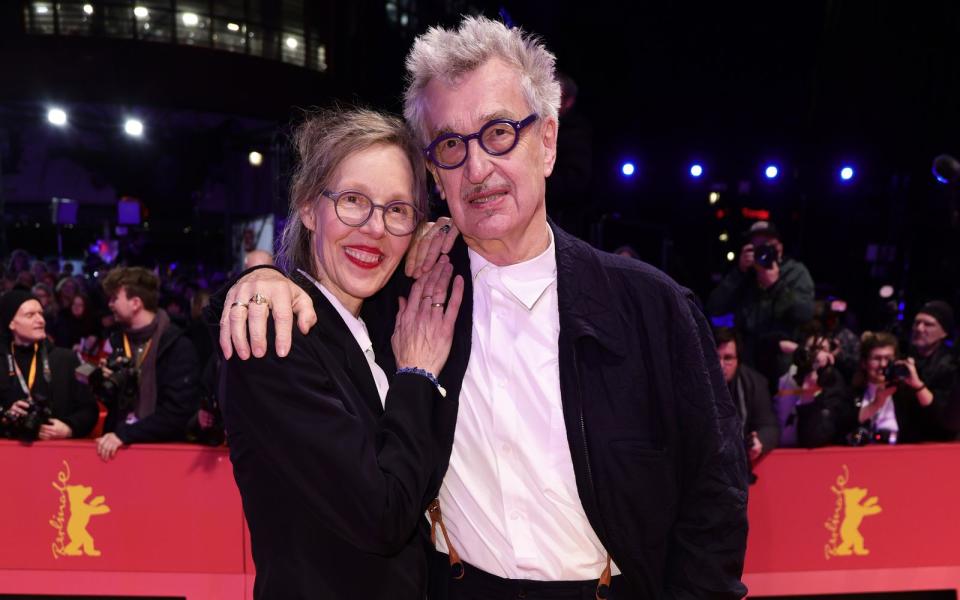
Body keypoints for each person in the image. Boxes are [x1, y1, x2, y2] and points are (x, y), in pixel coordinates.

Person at [218, 16, 747, 599]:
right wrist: (262, 273)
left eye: (498, 133)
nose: (476, 168)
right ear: (436, 175)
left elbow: (714, 498)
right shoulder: (403, 294)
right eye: (450, 144)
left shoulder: (653, 306)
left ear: (546, 141)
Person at [214, 108, 464, 599]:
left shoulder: (376, 325)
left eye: (397, 210)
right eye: (353, 201)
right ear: (308, 208)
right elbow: (384, 514)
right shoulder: (275, 335)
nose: (375, 228)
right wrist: (415, 375)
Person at [93, 267, 200, 460]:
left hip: (164, 455)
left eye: (114, 298)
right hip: (114, 450)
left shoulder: (178, 346)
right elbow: (113, 404)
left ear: (135, 303)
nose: (110, 304)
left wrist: (126, 434)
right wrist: (103, 382)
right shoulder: (116, 342)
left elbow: (177, 413)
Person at [707, 221, 815, 383]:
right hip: (747, 366)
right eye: (755, 247)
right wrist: (738, 272)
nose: (762, 252)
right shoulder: (744, 275)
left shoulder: (795, 272)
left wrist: (776, 285)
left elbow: (805, 313)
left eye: (766, 246)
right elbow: (713, 309)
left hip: (783, 367)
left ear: (779, 247)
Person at [0, 289, 97, 440]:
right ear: (11, 323)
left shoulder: (69, 358)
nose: (41, 320)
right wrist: (5, 416)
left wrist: (69, 428)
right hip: (8, 454)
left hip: (57, 455)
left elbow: (90, 409)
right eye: (30, 315)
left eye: (40, 313)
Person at [890, 301, 958, 442]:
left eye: (928, 324)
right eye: (917, 323)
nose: (919, 328)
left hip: (940, 442)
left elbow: (946, 420)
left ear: (944, 332)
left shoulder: (952, 366)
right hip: (903, 439)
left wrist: (918, 386)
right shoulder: (902, 357)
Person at [714, 327, 779, 463]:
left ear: (738, 360)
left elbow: (769, 427)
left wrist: (758, 442)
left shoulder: (755, 383)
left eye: (728, 358)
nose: (720, 365)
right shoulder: (692, 384)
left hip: (740, 463)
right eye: (715, 357)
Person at [850, 331, 901, 444]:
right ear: (864, 363)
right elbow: (847, 428)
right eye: (877, 359)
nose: (883, 364)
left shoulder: (905, 393)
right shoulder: (852, 393)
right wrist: (876, 403)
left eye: (888, 358)